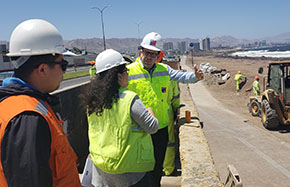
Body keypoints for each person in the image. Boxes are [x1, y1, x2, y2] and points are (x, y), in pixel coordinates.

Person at [0, 19, 81, 186]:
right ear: (43, 69)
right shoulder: (27, 117)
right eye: (63, 65)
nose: (64, 73)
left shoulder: (21, 105)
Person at [127, 32, 203, 187]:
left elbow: (182, 77)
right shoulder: (128, 72)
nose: (149, 57)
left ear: (159, 55)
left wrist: (195, 76)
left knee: (157, 168)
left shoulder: (164, 69)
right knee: (140, 170)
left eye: (154, 54)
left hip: (160, 129)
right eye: (147, 53)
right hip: (139, 132)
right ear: (140, 51)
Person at [81, 49, 159, 187]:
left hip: (102, 170)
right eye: (126, 71)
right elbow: (152, 127)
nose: (128, 75)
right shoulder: (129, 99)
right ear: (118, 76)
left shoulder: (92, 101)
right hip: (130, 173)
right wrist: (150, 111)